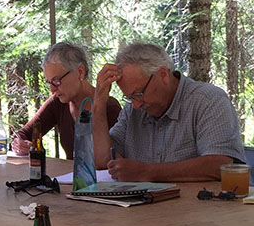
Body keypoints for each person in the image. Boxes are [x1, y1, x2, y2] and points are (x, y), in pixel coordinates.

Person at [93, 42, 246, 182]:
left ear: (163, 75)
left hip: (200, 209)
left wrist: (147, 172)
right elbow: (103, 160)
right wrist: (99, 105)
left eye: (139, 94)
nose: (136, 104)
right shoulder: (132, 110)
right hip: (142, 210)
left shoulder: (208, 100)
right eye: (129, 97)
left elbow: (220, 164)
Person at [12, 42, 122, 160]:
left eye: (57, 81)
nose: (52, 89)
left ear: (80, 71)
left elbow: (114, 159)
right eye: (49, 82)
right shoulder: (57, 103)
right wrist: (20, 144)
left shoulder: (109, 107)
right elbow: (24, 134)